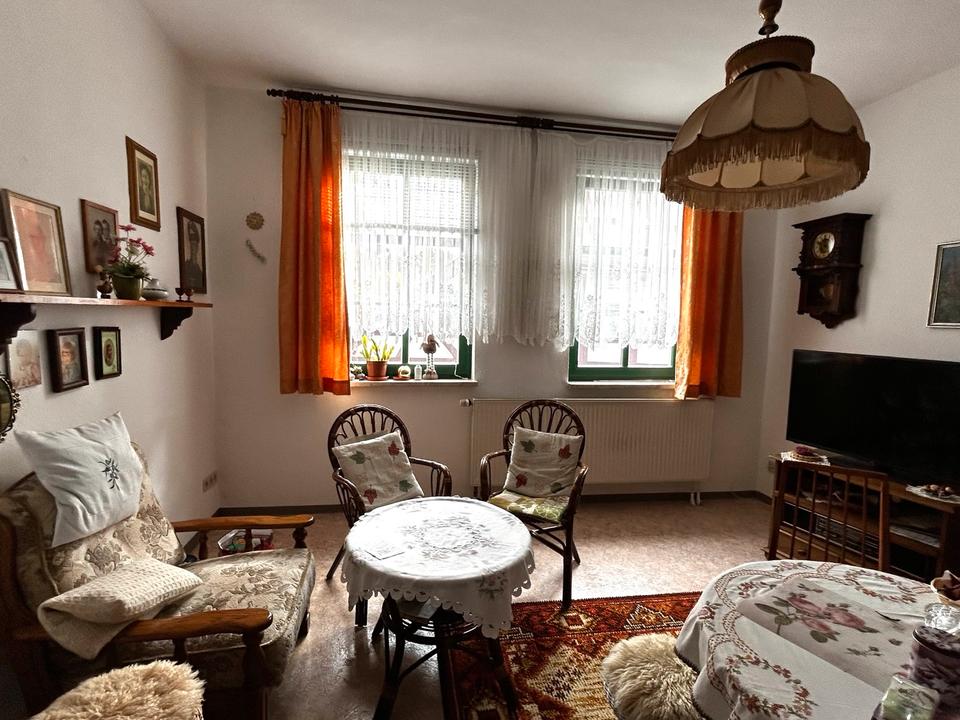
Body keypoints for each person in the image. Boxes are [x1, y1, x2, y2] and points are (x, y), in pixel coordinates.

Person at [182, 221, 205, 291]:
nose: (193, 248)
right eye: (191, 245)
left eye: (194, 245)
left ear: (197, 247)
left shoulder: (200, 271)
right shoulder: (186, 265)